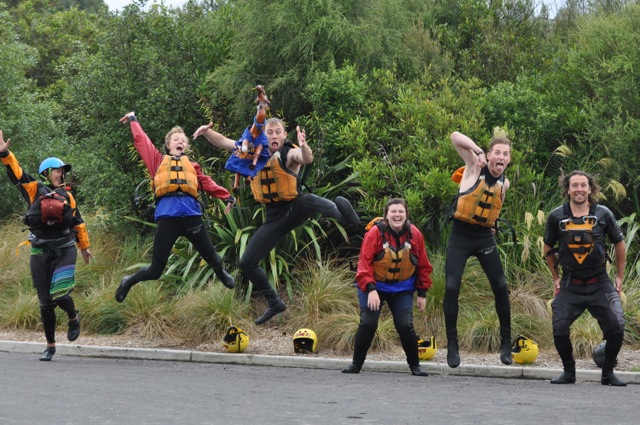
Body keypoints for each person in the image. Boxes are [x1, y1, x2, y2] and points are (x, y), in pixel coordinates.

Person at [193, 117, 360, 324]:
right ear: (264, 135)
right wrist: (206, 132)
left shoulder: (288, 153)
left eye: (277, 132)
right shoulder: (253, 152)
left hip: (294, 207)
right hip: (274, 218)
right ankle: (274, 302)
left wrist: (305, 145)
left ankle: (346, 218)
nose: (273, 135)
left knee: (308, 200)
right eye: (269, 132)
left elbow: (305, 158)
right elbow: (223, 142)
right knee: (247, 262)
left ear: (283, 135)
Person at [115, 112, 236, 303]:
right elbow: (142, 141)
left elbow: (207, 183)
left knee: (213, 257)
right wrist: (133, 120)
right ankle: (128, 281)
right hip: (168, 219)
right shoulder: (157, 161)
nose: (180, 141)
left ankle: (221, 274)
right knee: (155, 270)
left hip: (191, 217)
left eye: (183, 140)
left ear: (186, 146)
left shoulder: (192, 166)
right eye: (176, 139)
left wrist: (227, 195)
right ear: (168, 145)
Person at [0, 130, 93, 361]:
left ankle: (73, 317)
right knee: (45, 302)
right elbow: (16, 173)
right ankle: (50, 346)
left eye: (62, 171)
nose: (61, 174)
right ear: (46, 173)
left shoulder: (68, 196)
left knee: (60, 294)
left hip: (65, 248)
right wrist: (4, 153)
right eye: (57, 170)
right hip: (40, 249)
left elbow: (78, 222)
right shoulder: (33, 189)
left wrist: (84, 247)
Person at [543, 170, 626, 386]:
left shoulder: (604, 214)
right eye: (575, 186)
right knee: (559, 326)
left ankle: (607, 373)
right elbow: (548, 246)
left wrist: (619, 276)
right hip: (571, 283)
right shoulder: (556, 216)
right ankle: (569, 372)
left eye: (583, 186)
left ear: (590, 189)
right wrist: (555, 277)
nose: (579, 189)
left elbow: (619, 243)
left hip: (600, 281)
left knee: (616, 324)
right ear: (568, 189)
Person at [341, 198, 433, 376]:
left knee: (405, 325)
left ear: (406, 215)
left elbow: (423, 264)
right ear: (386, 216)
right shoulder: (375, 234)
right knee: (368, 323)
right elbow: (364, 265)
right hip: (374, 285)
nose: (397, 215)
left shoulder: (415, 234)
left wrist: (422, 292)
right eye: (393, 212)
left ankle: (415, 366)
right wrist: (371, 290)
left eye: (401, 212)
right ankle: (356, 364)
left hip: (402, 287)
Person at [444, 131, 513, 368]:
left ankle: (506, 343)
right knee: (452, 287)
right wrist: (478, 151)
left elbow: (492, 207)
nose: (501, 157)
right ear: (490, 155)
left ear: (509, 160)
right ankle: (452, 345)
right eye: (497, 152)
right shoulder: (474, 166)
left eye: (505, 154)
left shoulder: (505, 184)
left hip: (483, 237)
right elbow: (454, 136)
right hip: (461, 235)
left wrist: (491, 225)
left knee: (501, 287)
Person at [225, 85, 270, 193]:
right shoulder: (249, 133)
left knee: (252, 165)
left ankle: (249, 177)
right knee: (239, 165)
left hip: (253, 157)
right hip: (244, 153)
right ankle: (236, 185)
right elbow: (222, 141)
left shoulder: (265, 141)